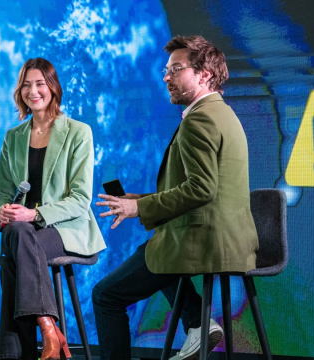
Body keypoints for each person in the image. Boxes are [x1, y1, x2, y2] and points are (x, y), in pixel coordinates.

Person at [92, 35, 259, 360]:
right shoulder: (221, 113)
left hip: (208, 242)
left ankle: (197, 321)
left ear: (204, 74)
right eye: (166, 70)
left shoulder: (200, 120)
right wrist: (139, 201)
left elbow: (201, 189)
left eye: (175, 69)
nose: (166, 77)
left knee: (104, 296)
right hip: (225, 236)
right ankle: (197, 321)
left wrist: (138, 207)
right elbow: (209, 188)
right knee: (157, 246)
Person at [0, 58, 106, 360]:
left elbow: (81, 198)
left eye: (40, 83)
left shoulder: (78, 132)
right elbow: (2, 192)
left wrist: (34, 215)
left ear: (53, 87)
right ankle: (49, 328)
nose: (33, 91)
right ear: (20, 91)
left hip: (65, 228)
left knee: (13, 260)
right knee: (17, 232)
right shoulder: (12, 137)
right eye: (27, 85)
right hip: (20, 229)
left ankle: (19, 350)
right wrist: (3, 211)